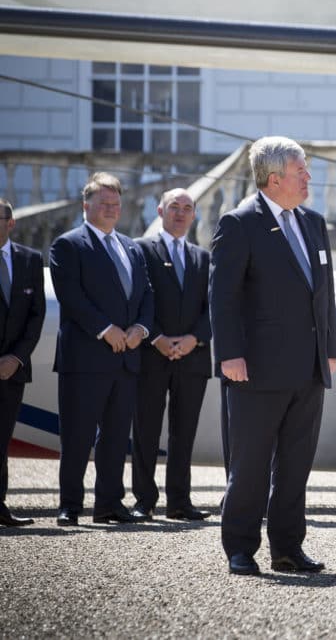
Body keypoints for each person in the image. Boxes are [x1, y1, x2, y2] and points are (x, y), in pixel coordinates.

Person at [211, 136, 336, 575]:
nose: (309, 177)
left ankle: (288, 548)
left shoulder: (313, 223)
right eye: (301, 170)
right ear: (274, 178)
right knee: (249, 464)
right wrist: (229, 355)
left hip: (308, 367)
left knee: (295, 464)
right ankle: (240, 548)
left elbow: (323, 296)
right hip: (256, 370)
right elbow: (222, 297)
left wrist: (332, 349)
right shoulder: (239, 223)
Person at [49, 172, 154, 526]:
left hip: (126, 358)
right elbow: (72, 297)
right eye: (104, 203)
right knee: (77, 436)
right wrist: (106, 330)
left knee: (114, 437)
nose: (111, 209)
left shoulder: (132, 247)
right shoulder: (68, 245)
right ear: (86, 206)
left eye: (115, 204)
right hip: (86, 358)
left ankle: (109, 503)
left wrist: (141, 328)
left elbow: (147, 293)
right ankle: (70, 505)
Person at [131, 189, 212, 521]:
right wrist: (157, 338)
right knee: (146, 430)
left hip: (192, 359)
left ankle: (179, 501)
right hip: (152, 355)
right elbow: (137, 299)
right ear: (160, 210)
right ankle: (143, 501)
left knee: (184, 432)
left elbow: (214, 307)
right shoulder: (141, 249)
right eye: (174, 207)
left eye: (187, 208)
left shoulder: (202, 257)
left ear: (194, 215)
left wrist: (194, 339)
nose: (180, 213)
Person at [0, 198, 45, 527]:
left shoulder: (30, 260)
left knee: (2, 440)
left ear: (11, 222)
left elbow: (36, 316)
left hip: (13, 370)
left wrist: (16, 357)